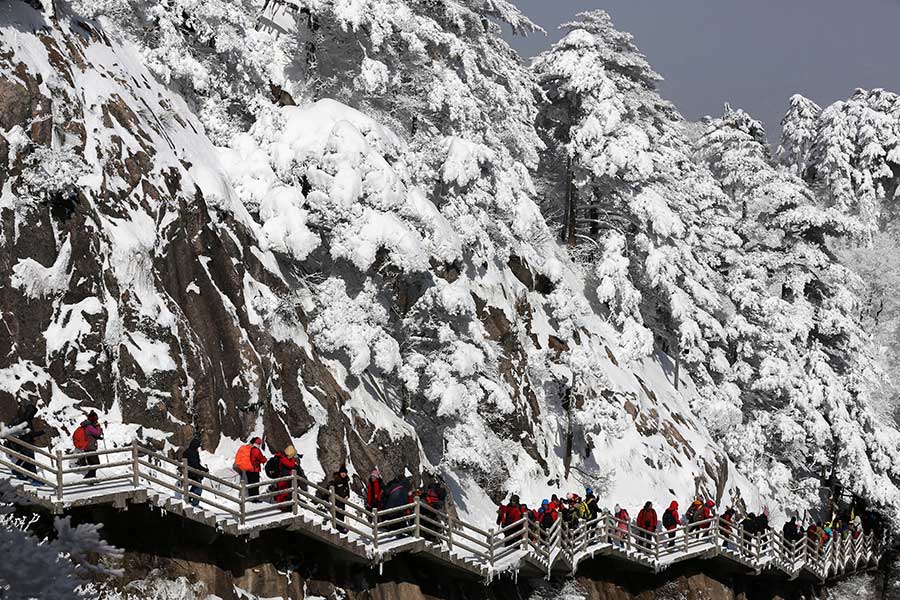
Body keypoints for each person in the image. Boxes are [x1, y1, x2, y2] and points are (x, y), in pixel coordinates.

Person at [7, 404, 44, 482]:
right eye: (33, 413)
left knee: (24, 459)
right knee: (31, 461)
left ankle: (16, 470)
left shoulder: (22, 419)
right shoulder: (26, 421)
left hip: (23, 443)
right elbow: (31, 433)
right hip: (27, 444)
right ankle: (35, 479)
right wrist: (42, 432)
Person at [234, 437, 266, 501]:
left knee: (249, 485)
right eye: (259, 444)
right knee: (255, 486)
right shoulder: (255, 450)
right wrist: (264, 459)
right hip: (254, 470)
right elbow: (261, 458)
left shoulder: (245, 448)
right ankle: (255, 500)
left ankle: (250, 498)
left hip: (246, 470)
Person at [272, 445, 302, 510]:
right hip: (283, 480)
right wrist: (294, 459)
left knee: (285, 494)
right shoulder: (283, 459)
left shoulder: (285, 458)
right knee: (282, 494)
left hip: (286, 479)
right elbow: (290, 465)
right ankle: (281, 507)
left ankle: (284, 507)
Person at [76, 412, 104, 480]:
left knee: (93, 464)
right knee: (96, 463)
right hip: (90, 447)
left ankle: (92, 479)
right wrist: (98, 427)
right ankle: (87, 478)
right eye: (95, 418)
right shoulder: (89, 427)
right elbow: (97, 433)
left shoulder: (87, 426)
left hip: (88, 447)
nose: (96, 420)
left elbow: (91, 435)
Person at [181, 438, 208, 507]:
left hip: (191, 473)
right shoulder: (192, 453)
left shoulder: (190, 452)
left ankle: (189, 499)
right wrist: (204, 470)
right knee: (198, 489)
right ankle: (194, 504)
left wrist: (203, 469)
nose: (198, 448)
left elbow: (196, 465)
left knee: (195, 487)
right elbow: (195, 465)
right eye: (197, 446)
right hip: (192, 474)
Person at [328, 464, 351, 534]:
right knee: (338, 513)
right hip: (337, 499)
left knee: (342, 513)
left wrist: (347, 495)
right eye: (342, 473)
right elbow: (333, 487)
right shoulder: (337, 479)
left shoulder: (346, 480)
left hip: (342, 500)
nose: (343, 474)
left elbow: (347, 489)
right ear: (340, 473)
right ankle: (338, 527)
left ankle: (341, 526)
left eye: (345, 473)